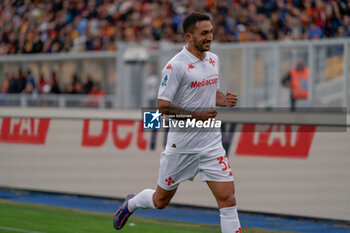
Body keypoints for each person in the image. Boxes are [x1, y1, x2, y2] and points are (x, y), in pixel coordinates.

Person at [113, 12, 241, 233]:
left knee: (228, 200)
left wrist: (223, 100)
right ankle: (131, 203)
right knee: (160, 201)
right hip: (181, 146)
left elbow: (211, 94)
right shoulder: (175, 66)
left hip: (211, 144)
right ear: (189, 36)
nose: (209, 37)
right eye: (204, 33)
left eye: (211, 31)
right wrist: (197, 116)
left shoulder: (213, 59)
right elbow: (162, 107)